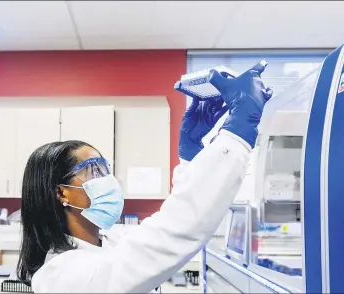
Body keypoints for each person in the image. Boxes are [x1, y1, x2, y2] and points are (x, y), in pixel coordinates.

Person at [17, 61, 273, 293]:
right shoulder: (62, 277)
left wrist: (192, 155)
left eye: (106, 168)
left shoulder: (108, 241)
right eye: (94, 169)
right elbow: (174, 232)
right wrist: (239, 129)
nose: (107, 179)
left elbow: (172, 223)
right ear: (61, 192)